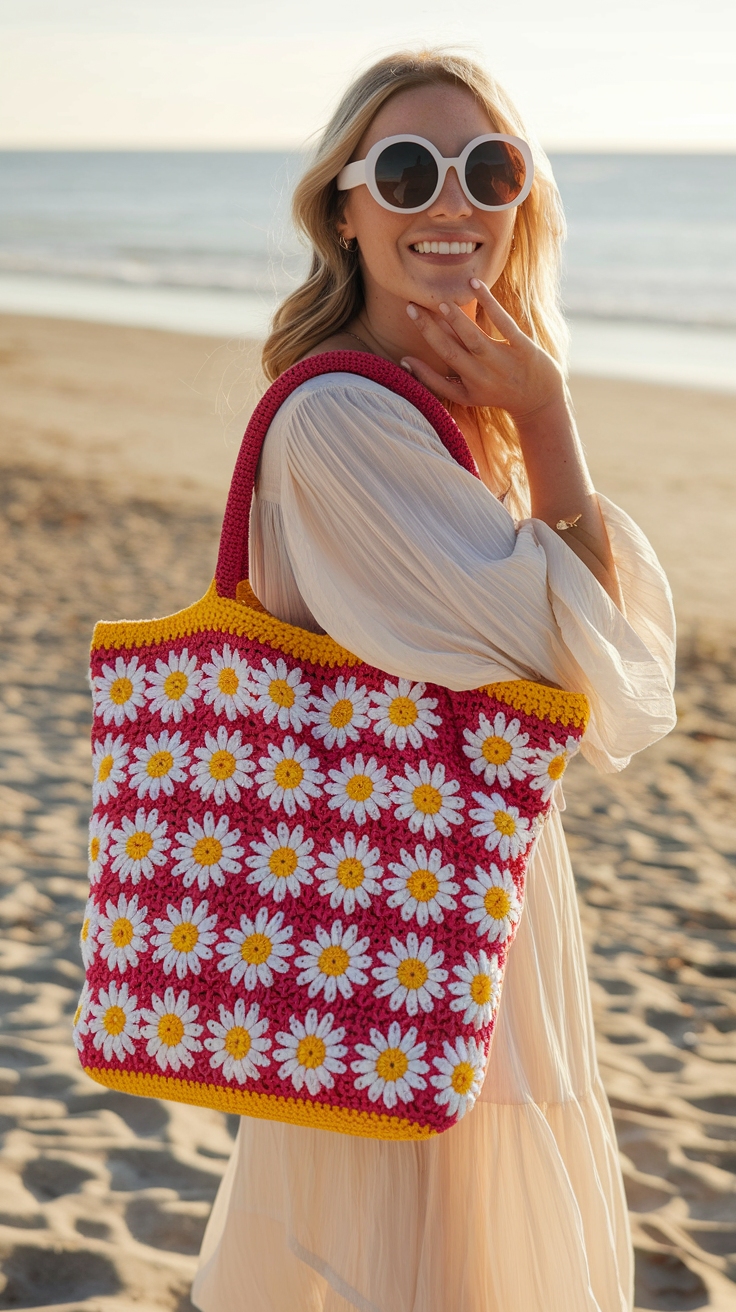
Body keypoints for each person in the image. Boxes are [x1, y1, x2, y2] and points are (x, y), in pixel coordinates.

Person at [192, 49, 676, 1312]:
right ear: (342, 209)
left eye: (488, 169)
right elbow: (583, 669)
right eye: (405, 172)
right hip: (396, 903)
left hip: (453, 893)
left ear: (524, 202)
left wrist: (529, 420)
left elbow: (586, 670)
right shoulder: (342, 422)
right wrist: (554, 424)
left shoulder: (448, 404)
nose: (450, 202)